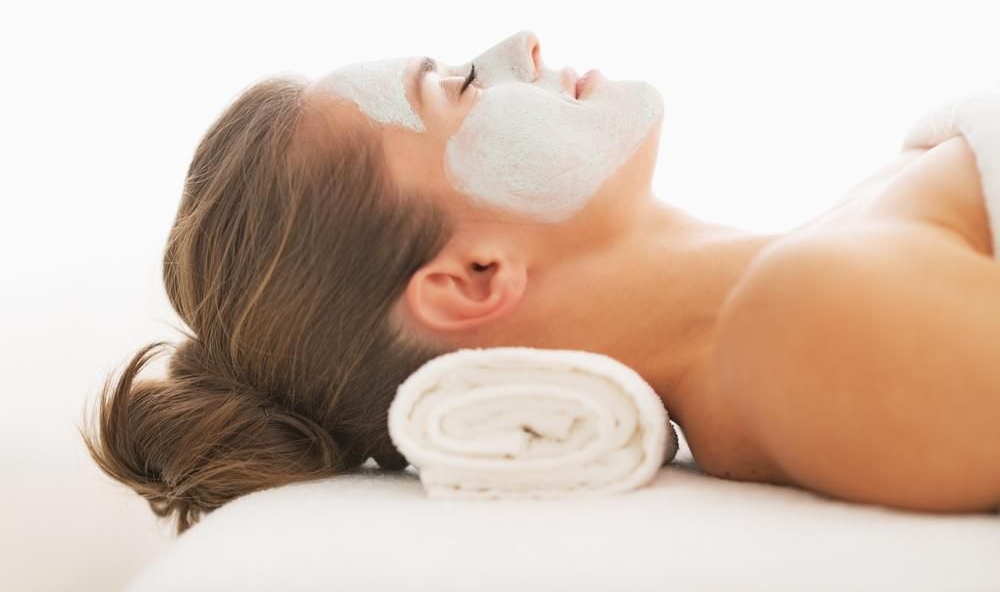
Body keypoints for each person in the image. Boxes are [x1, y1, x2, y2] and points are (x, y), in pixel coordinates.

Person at [79, 30, 999, 535]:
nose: (517, 44)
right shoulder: (806, 329)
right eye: (458, 86)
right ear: (476, 277)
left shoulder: (824, 258)